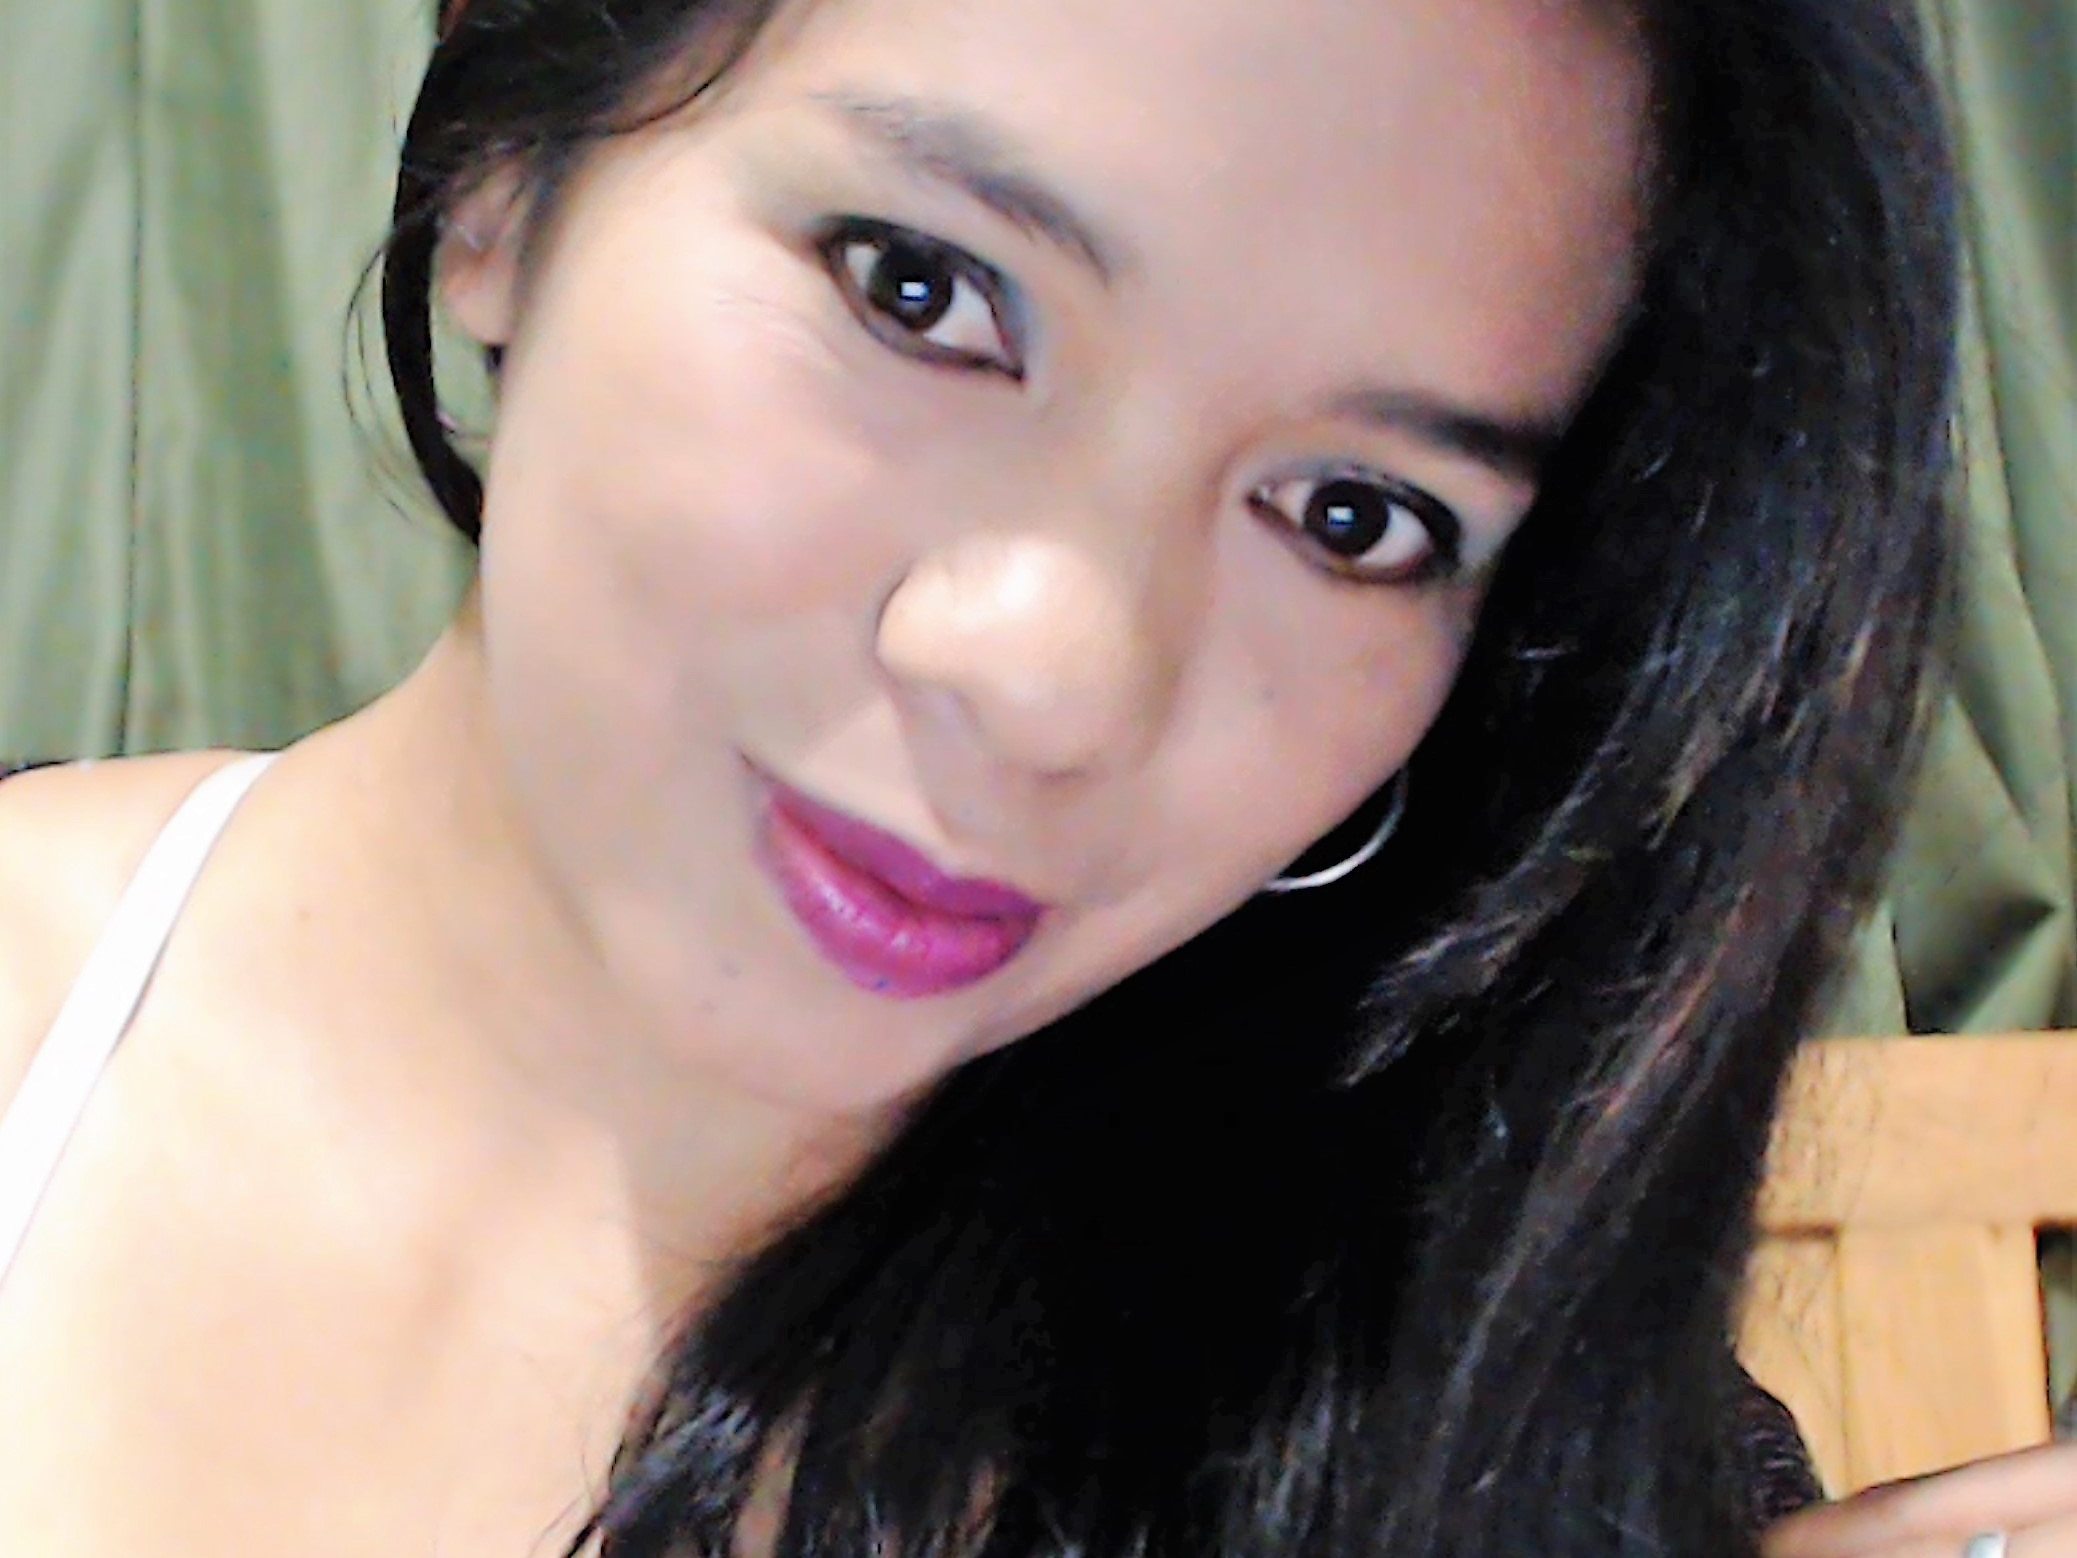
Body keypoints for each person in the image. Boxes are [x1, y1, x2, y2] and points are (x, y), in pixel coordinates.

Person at [0, 0, 2069, 1552]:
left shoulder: (1447, 1424)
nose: (1056, 680)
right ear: (505, 179)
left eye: (1351, 515)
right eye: (921, 291)